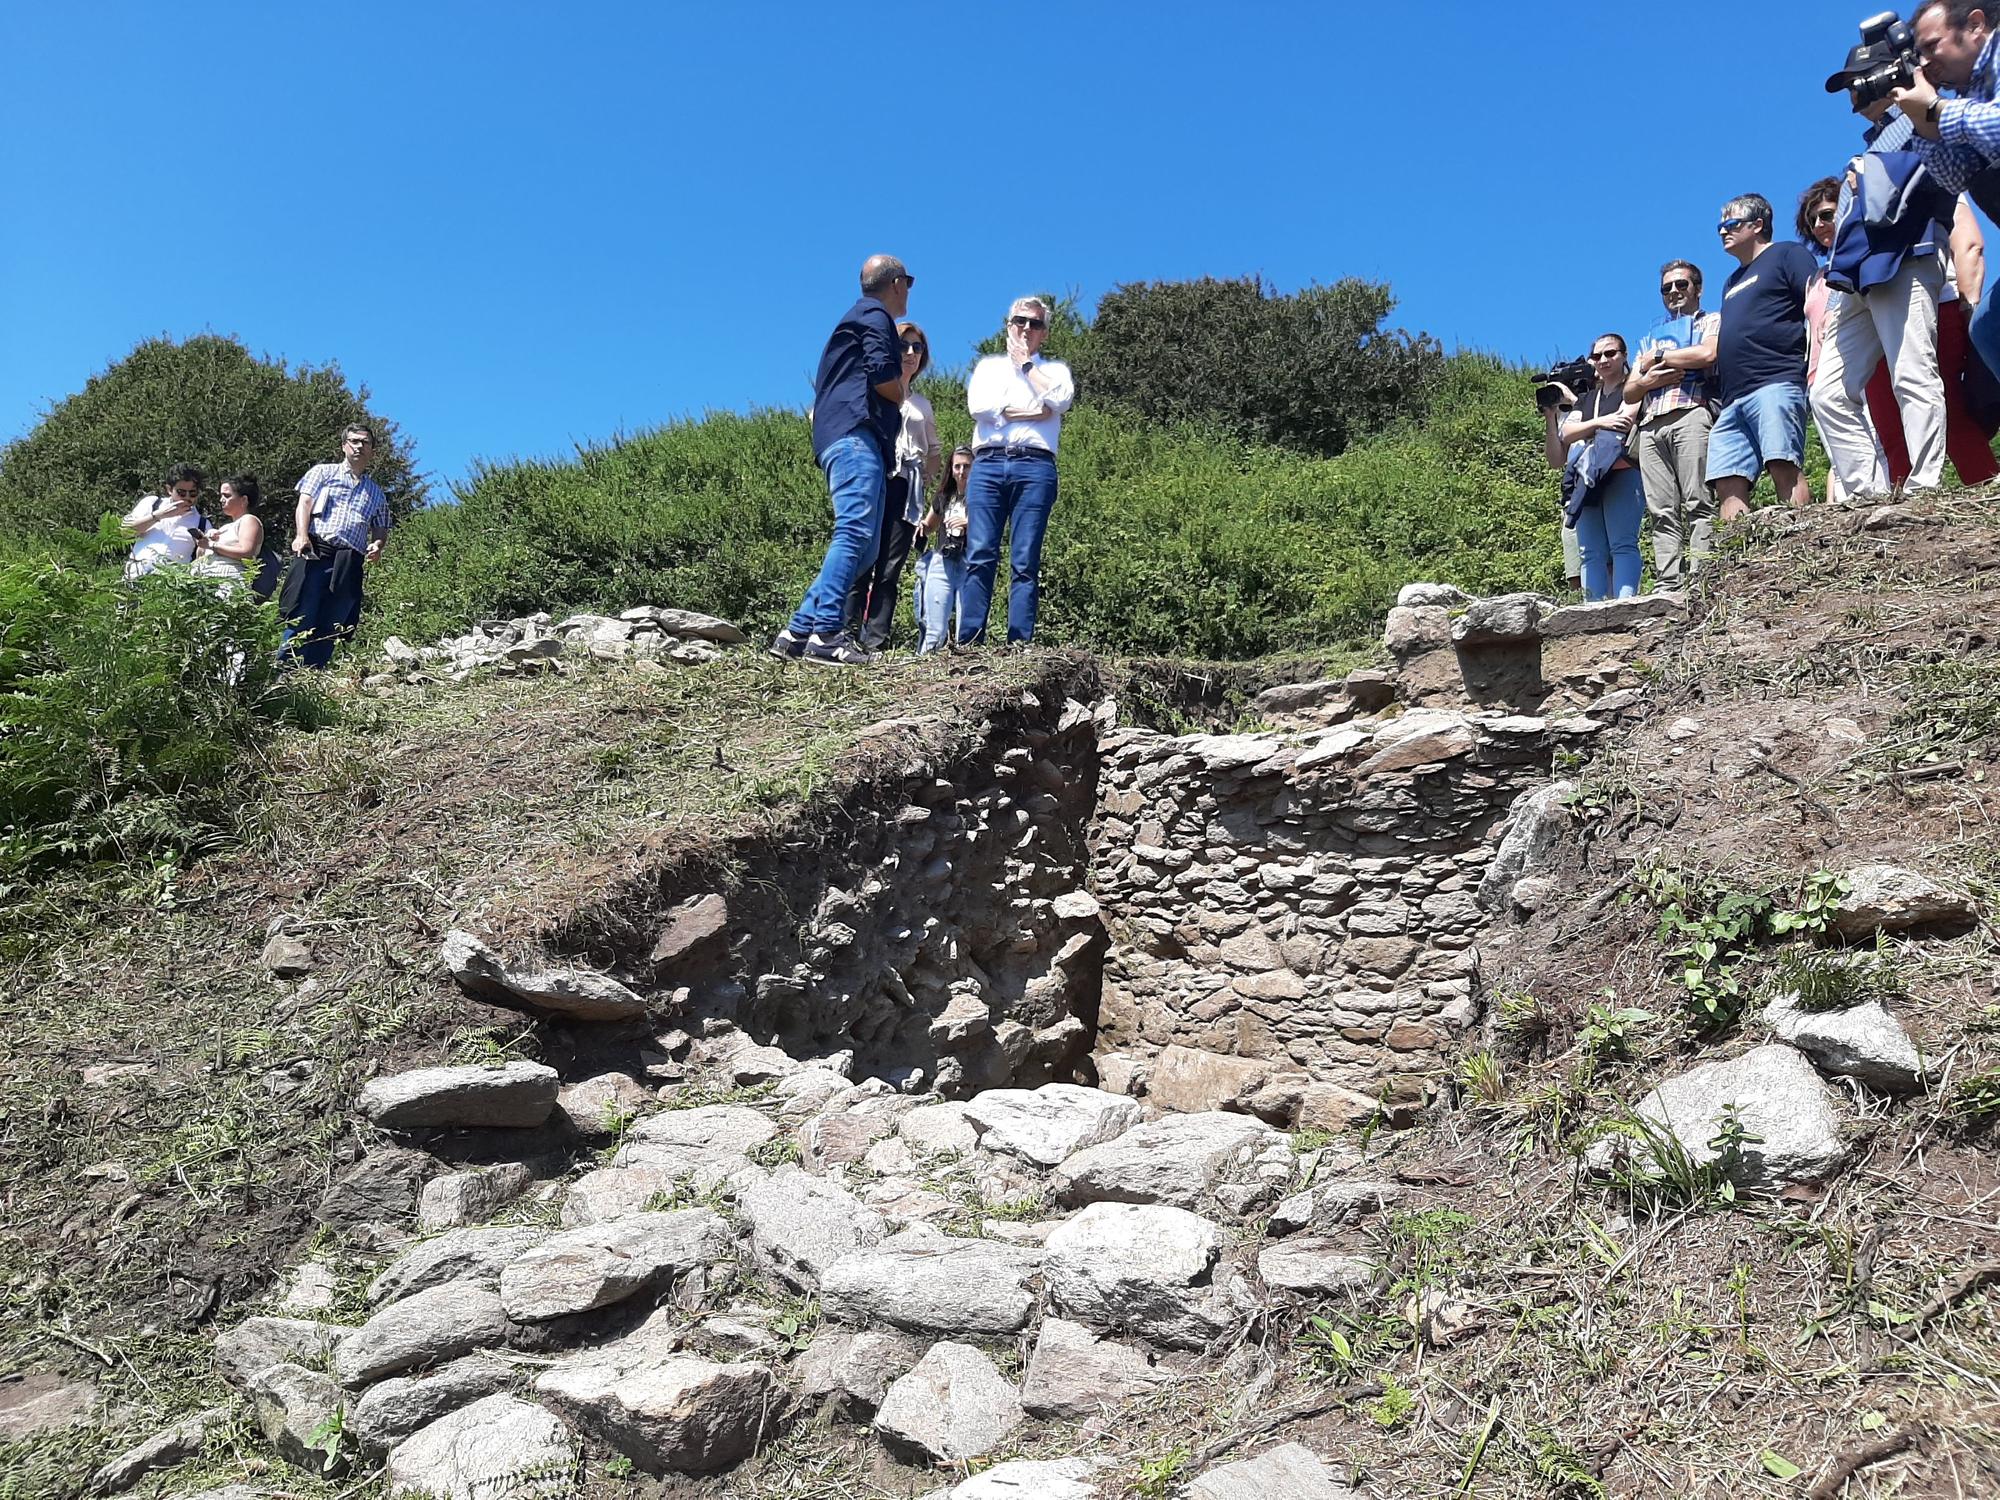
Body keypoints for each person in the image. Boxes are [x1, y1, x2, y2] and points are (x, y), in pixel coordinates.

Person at [1812, 53, 1954, 501]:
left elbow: (1941, 179)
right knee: (1827, 393)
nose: (1851, 98)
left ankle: (1925, 487)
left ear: (1881, 76)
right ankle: (1866, 496)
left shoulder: (1921, 115)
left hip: (1906, 258)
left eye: (1855, 84)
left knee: (1911, 373)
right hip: (1857, 274)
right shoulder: (1877, 137)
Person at [770, 254, 912, 665]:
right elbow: (883, 376)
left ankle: (797, 632)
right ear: (898, 283)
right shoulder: (875, 317)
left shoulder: (855, 316)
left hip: (841, 438)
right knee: (854, 532)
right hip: (856, 436)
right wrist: (901, 393)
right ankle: (828, 633)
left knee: (865, 548)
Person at [958, 296, 1076, 646]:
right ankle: (969, 642)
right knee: (980, 553)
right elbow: (979, 406)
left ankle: (1019, 644)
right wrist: (1028, 412)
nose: (1026, 329)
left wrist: (1026, 366)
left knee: (1025, 559)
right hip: (989, 464)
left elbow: (1060, 399)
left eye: (1035, 324)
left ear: (1046, 333)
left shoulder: (1054, 371)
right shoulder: (988, 368)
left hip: (1035, 466)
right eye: (1020, 321)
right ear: (1008, 325)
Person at [1865, 193, 2000, 486]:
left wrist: (1969, 309)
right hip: (1876, 317)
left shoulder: (1933, 181)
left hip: (1936, 304)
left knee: (1947, 409)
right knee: (1891, 423)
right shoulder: (1871, 194)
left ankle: (1986, 486)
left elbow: (1969, 245)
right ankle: (1905, 504)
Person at [1897, 3, 2000, 384]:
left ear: (1975, 25)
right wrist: (1922, 119)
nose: (1925, 62)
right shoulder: (1968, 97)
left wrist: (1937, 109)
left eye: (1932, 45)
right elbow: (1955, 176)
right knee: (1990, 330)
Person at [1708, 194, 1818, 521]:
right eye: (1719, 227)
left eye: (1731, 224)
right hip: (1732, 398)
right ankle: (1738, 554)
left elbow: (1817, 302)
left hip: (1777, 380)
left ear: (1758, 225)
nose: (1723, 232)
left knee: (1781, 462)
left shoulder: (1788, 254)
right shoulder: (1731, 281)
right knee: (1727, 478)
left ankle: (1803, 540)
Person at [844, 320, 940, 650]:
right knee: (862, 556)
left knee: (891, 564)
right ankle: (845, 632)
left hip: (906, 487)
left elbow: (935, 449)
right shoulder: (874, 387)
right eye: (903, 346)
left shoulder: (922, 404)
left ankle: (876, 639)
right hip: (874, 479)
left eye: (917, 347)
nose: (911, 353)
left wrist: (925, 477)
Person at [1626, 261, 1722, 585]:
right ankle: (1668, 581)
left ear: (1697, 288)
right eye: (1666, 288)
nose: (1673, 292)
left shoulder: (1711, 320)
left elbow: (1707, 354)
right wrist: (1649, 379)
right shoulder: (1650, 337)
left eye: (1681, 285)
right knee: (1660, 509)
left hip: (1692, 412)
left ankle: (1702, 575)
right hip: (1651, 423)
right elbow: (1629, 391)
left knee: (1699, 498)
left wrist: (1655, 361)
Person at [280, 424, 392, 669]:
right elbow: (304, 504)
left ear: (373, 450)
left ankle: (312, 678)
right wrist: (301, 536)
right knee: (302, 614)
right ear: (344, 446)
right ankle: (284, 674)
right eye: (354, 441)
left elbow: (381, 525)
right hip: (317, 551)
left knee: (333, 622)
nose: (359, 446)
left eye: (365, 442)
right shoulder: (323, 473)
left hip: (350, 560)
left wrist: (378, 544)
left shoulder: (376, 492)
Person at [1560, 335, 1644, 599]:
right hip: (1590, 476)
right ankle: (1592, 607)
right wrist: (1601, 423)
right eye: (1597, 356)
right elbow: (1566, 432)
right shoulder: (1588, 399)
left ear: (1624, 355)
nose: (1603, 360)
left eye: (1610, 354)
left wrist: (1591, 426)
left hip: (1623, 471)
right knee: (1590, 551)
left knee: (1623, 543)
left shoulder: (1632, 387)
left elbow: (1626, 420)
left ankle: (1626, 603)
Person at [913, 445, 974, 654]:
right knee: (934, 630)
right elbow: (930, 525)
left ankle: (964, 675)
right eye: (957, 466)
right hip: (942, 560)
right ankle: (922, 675)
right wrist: (921, 528)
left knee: (966, 630)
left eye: (966, 466)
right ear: (951, 469)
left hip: (969, 560)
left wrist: (968, 522)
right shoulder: (944, 496)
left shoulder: (984, 498)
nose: (961, 471)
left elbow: (992, 526)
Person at [121, 462, 205, 580]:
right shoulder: (152, 504)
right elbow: (124, 532)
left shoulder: (202, 523)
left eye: (192, 493)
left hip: (169, 587)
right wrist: (159, 515)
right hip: (136, 576)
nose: (187, 497)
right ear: (169, 489)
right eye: (181, 492)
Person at [1538, 380, 1585, 589]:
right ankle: (1580, 607)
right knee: (1575, 566)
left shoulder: (1595, 402)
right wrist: (1551, 416)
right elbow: (1556, 461)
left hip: (1598, 487)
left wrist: (1574, 400)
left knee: (1605, 558)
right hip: (1571, 496)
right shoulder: (1564, 417)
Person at [190, 475, 267, 592]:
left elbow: (246, 552)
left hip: (230, 583)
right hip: (207, 584)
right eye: (221, 495)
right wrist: (203, 543)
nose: (221, 500)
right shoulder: (224, 528)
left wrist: (212, 545)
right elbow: (200, 557)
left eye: (227, 496)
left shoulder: (249, 520)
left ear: (244, 500)